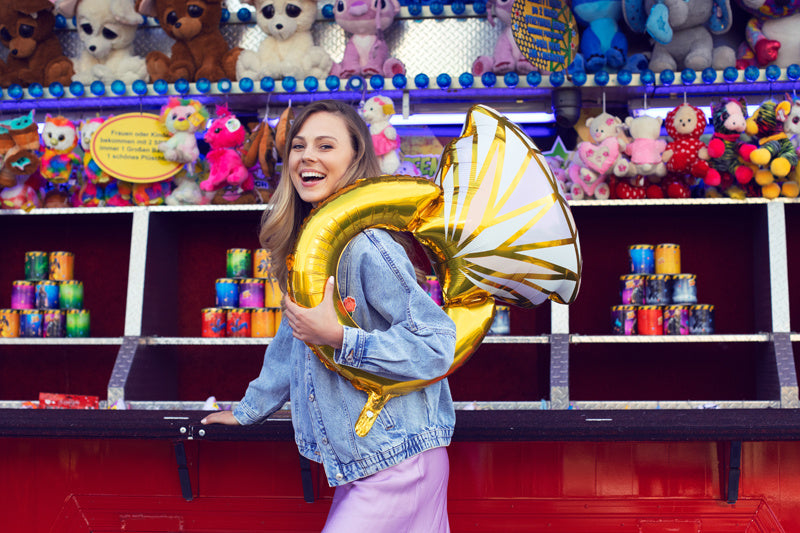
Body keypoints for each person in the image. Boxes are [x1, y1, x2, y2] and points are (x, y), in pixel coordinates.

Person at [202, 99, 456, 532]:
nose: (307, 157)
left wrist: (340, 337)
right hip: (368, 462)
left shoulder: (367, 246)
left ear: (355, 158)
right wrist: (249, 410)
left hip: (401, 461)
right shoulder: (314, 248)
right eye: (299, 146)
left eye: (325, 145)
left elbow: (437, 344)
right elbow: (291, 342)